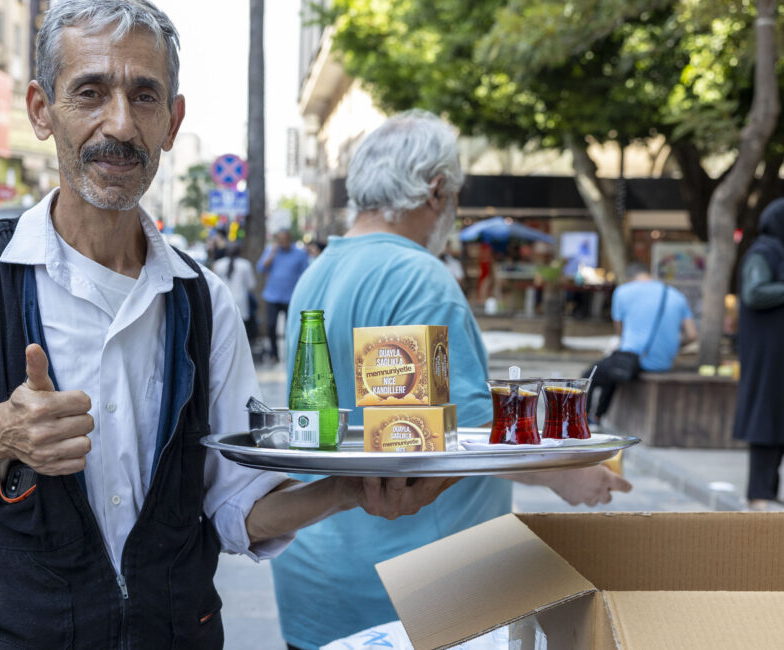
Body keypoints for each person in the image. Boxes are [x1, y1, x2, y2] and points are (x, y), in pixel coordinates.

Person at [0, 4, 454, 648]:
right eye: (90, 92)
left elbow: (235, 507)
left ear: (172, 121)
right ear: (42, 110)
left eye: (144, 96)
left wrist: (346, 490)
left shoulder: (202, 300)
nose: (120, 125)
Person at [270, 111, 632, 650]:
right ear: (436, 190)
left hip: (318, 577)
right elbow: (456, 440)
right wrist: (567, 473)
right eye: (456, 194)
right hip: (414, 594)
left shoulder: (320, 270)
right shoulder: (418, 276)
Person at [585, 262, 697, 422]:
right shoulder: (675, 295)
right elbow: (692, 335)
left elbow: (620, 332)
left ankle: (586, 419)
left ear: (629, 278)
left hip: (637, 361)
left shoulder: (623, 291)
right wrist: (670, 345)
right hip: (664, 362)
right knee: (613, 368)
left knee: (591, 375)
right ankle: (597, 416)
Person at [733, 198, 784, 510]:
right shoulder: (763, 252)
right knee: (766, 423)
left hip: (778, 360)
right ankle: (759, 499)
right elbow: (754, 292)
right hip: (769, 361)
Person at [256, 229, 308, 362]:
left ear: (289, 239)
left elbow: (305, 274)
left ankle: (292, 354)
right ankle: (274, 354)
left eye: (285, 239)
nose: (282, 242)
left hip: (291, 297)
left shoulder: (300, 254)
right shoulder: (271, 251)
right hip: (272, 296)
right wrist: (272, 254)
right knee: (271, 325)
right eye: (280, 240)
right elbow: (261, 268)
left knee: (290, 327)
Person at [211, 242, 258, 342]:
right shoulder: (245, 264)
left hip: (222, 301)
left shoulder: (218, 264)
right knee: (240, 332)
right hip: (240, 302)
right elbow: (251, 285)